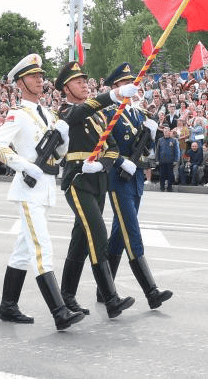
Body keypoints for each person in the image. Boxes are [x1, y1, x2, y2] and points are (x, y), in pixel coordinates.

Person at [0, 54, 83, 330]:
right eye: (33, 76)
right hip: (29, 188)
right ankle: (59, 312)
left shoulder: (48, 114)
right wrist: (25, 165)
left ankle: (8, 306)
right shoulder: (18, 114)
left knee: (22, 251)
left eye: (41, 75)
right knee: (42, 248)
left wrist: (64, 140)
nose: (40, 80)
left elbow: (60, 153)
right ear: (21, 82)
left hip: (45, 186)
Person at [54, 61, 135, 319]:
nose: (84, 84)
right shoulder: (65, 112)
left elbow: (111, 147)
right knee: (98, 234)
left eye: (85, 81)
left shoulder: (100, 115)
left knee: (80, 241)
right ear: (66, 88)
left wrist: (101, 163)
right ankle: (111, 299)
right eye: (78, 82)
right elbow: (79, 114)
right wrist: (112, 95)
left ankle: (66, 297)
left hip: (97, 180)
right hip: (77, 181)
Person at [101, 63, 173, 311]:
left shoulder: (140, 114)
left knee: (119, 235)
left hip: (136, 179)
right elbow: (103, 147)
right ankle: (151, 291)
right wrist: (121, 161)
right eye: (124, 83)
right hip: (118, 179)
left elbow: (146, 151)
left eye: (132, 83)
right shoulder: (108, 113)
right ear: (115, 88)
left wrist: (152, 135)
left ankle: (104, 288)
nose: (131, 87)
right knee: (132, 232)